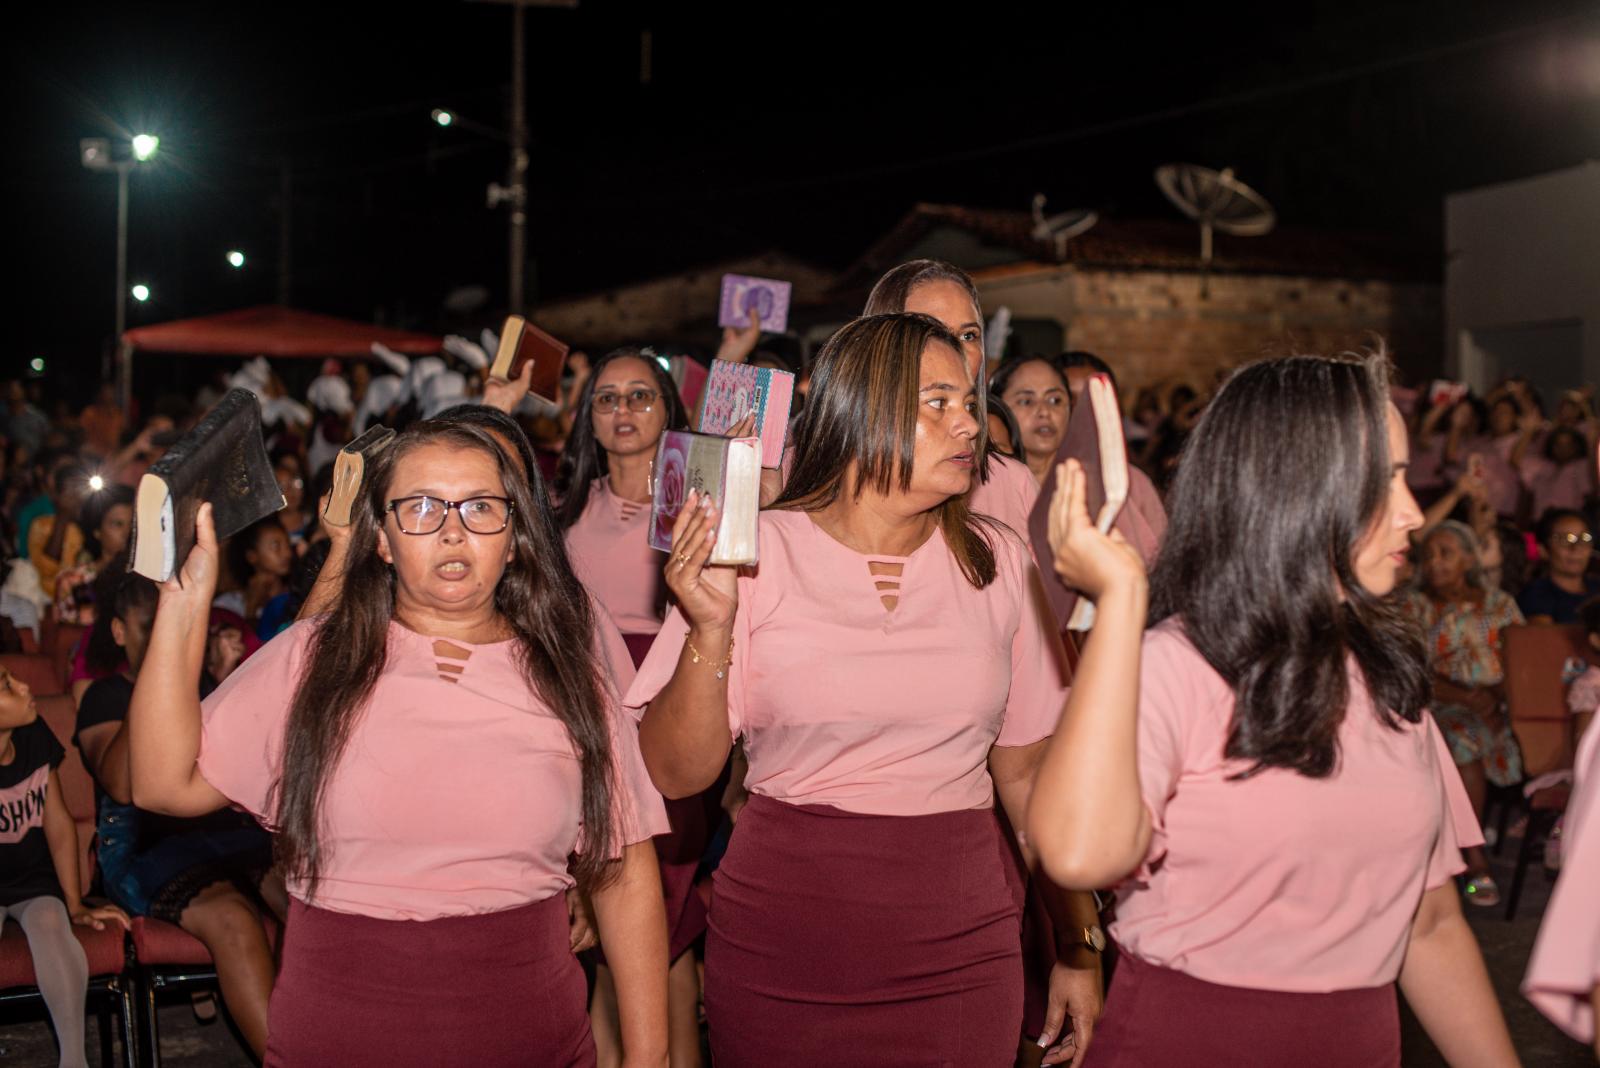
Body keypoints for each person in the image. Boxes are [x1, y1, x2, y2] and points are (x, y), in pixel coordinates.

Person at [630, 313, 1100, 1067]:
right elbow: (675, 774)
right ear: (861, 409)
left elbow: (1028, 776)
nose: (970, 424)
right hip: (787, 937)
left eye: (970, 403)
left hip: (959, 940)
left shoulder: (999, 561)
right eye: (938, 403)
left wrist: (1077, 943)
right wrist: (712, 627)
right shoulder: (758, 551)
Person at [127, 419, 670, 1066]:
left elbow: (623, 871)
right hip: (338, 1038)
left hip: (530, 1036)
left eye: (480, 507)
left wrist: (649, 1058)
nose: (451, 529)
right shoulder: (314, 660)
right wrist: (184, 605)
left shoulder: (569, 672)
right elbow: (161, 783)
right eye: (419, 507)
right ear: (380, 540)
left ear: (516, 538)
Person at [1027, 351, 1517, 1067]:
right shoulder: (1177, 664)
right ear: (1298, 490)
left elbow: (1432, 922)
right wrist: (1122, 603)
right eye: (1385, 484)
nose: (1413, 514)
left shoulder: (1389, 676)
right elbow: (1076, 853)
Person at [553, 348, 706, 1068]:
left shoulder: (700, 510)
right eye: (607, 398)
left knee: (660, 921)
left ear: (669, 410)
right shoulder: (562, 515)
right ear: (590, 416)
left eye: (640, 396)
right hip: (590, 725)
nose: (622, 410)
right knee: (612, 926)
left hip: (672, 719)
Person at [73, 574, 279, 1058]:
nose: (166, 634)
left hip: (226, 832)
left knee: (309, 895)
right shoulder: (104, 696)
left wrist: (227, 683)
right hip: (146, 846)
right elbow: (122, 786)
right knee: (233, 920)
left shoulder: (204, 683)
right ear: (120, 632)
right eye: (151, 625)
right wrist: (156, 680)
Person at [0, 661, 129, 1068]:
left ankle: (74, 1060)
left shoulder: (33, 734)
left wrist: (74, 902)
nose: (24, 685)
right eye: (6, 685)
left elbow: (57, 825)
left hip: (33, 879)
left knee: (51, 920)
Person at [1406, 521, 1524, 904]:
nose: (1436, 563)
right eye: (1429, 556)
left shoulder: (1499, 602)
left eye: (1447, 553)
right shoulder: (1414, 606)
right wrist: (1468, 697)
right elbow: (1410, 669)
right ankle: (1475, 859)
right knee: (1462, 737)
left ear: (1469, 558)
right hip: (1438, 703)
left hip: (1499, 703)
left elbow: (1521, 658)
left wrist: (1499, 700)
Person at [53, 484, 133, 625]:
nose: (127, 533)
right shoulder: (76, 580)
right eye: (117, 524)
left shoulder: (142, 575)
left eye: (132, 525)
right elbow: (80, 630)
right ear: (97, 531)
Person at [992, 357, 1070, 484]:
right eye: (1026, 401)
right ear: (998, 409)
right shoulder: (981, 487)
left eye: (1055, 400)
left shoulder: (1095, 485)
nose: (1044, 412)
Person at [1517, 509, 1600, 625]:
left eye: (1584, 538)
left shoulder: (1596, 587)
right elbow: (1544, 638)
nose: (1575, 548)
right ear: (1543, 550)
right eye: (1564, 539)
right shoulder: (1536, 594)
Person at [27, 461, 90, 600]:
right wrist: (62, 519)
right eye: (70, 490)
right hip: (48, 598)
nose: (75, 496)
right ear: (56, 495)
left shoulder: (93, 525)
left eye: (79, 489)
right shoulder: (41, 525)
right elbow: (48, 568)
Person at [1521, 424, 1595, 518]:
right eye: (1558, 444)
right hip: (1540, 522)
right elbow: (1516, 462)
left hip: (1568, 521)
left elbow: (1590, 494)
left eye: (1568, 444)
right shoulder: (1543, 466)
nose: (1563, 449)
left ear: (1577, 446)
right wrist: (1528, 431)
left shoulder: (1582, 466)